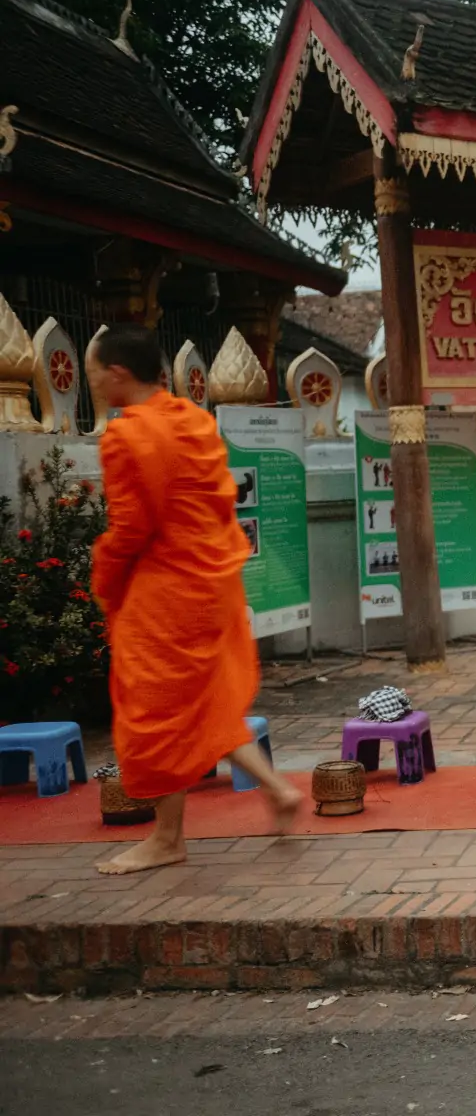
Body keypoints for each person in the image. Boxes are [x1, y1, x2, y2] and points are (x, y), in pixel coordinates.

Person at [85, 325, 302, 874]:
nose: (88, 381)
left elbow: (132, 528)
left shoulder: (126, 436)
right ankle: (276, 789)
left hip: (165, 591)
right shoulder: (193, 419)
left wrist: (104, 579)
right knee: (203, 704)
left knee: (154, 709)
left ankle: (166, 838)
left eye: (90, 372)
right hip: (214, 581)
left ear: (116, 373)